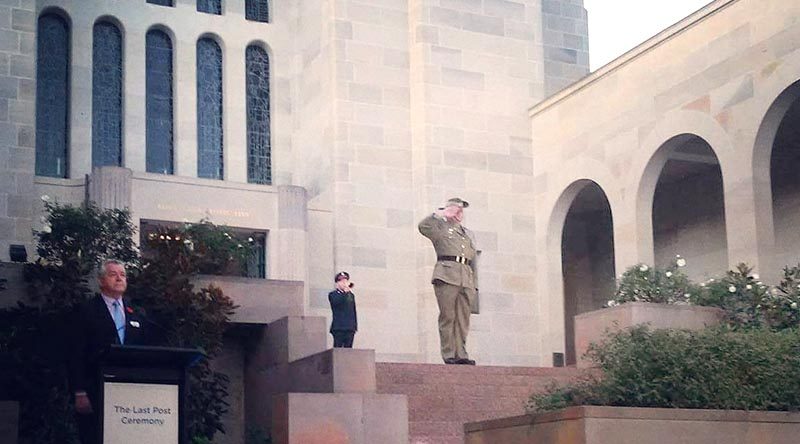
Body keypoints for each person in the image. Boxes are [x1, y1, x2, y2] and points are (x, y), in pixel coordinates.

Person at [68, 259, 152, 444]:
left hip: (129, 390)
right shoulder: (86, 310)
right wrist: (79, 391)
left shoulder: (136, 311)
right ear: (101, 280)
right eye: (113, 274)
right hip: (95, 388)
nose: (119, 278)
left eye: (122, 275)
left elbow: (145, 348)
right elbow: (76, 353)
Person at [418, 197, 478, 365]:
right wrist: (440, 214)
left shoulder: (466, 233)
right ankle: (449, 354)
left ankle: (461, 353)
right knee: (448, 316)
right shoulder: (440, 227)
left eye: (461, 210)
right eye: (456, 209)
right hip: (447, 274)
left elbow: (471, 257)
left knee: (463, 318)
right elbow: (423, 227)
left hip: (465, 277)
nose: (459, 213)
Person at [328, 271, 358, 348]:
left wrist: (354, 326)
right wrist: (345, 292)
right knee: (338, 349)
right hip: (339, 327)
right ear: (337, 283)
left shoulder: (350, 295)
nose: (344, 283)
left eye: (345, 280)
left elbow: (353, 310)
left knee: (348, 350)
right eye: (341, 281)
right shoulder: (333, 294)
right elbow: (337, 303)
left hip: (349, 327)